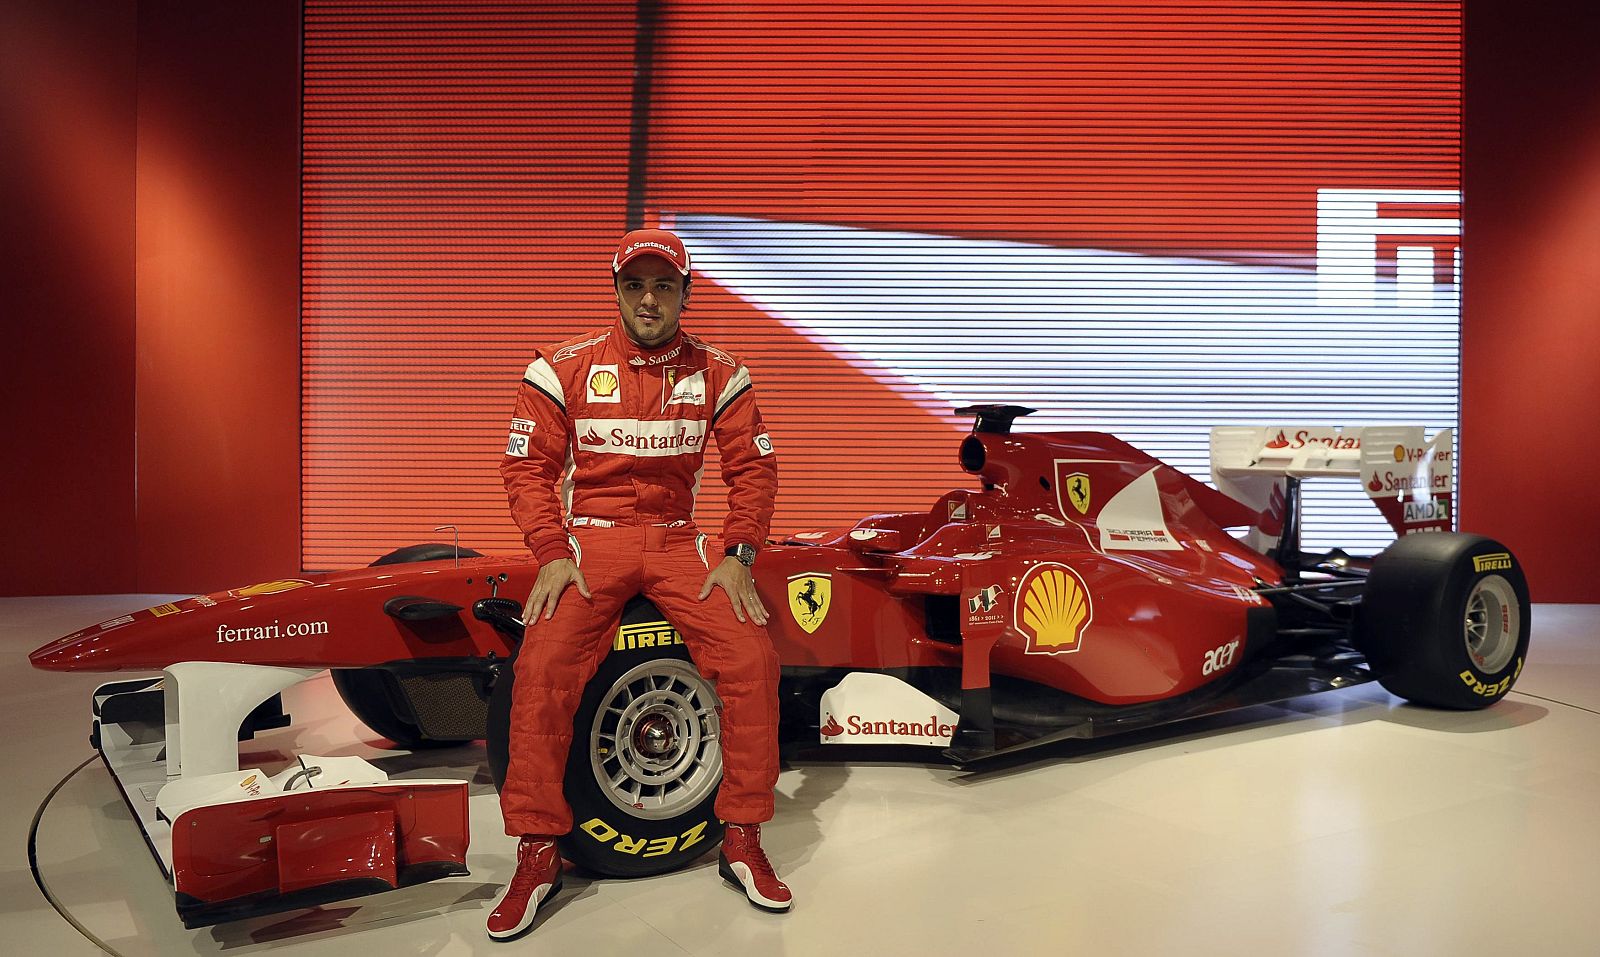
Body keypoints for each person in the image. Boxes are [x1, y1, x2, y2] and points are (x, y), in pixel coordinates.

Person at [486, 228, 791, 941]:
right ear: (617, 291)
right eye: (635, 285)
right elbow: (525, 469)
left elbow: (754, 469)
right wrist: (551, 550)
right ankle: (537, 852)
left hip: (680, 539)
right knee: (541, 667)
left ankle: (741, 837)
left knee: (752, 659)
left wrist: (739, 552)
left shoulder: (721, 370)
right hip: (593, 537)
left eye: (663, 285)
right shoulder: (560, 366)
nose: (648, 299)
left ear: (686, 293)